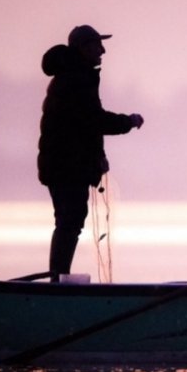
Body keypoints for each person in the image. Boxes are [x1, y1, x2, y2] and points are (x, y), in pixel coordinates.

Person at [38, 25, 144, 282]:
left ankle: (58, 279)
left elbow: (83, 127)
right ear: (83, 48)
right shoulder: (75, 79)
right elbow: (93, 120)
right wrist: (128, 121)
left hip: (64, 164)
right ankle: (57, 281)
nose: (103, 51)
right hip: (66, 166)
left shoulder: (74, 76)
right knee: (70, 221)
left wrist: (98, 158)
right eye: (97, 45)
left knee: (69, 220)